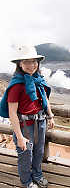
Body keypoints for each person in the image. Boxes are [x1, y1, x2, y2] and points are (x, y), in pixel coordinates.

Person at [0, 45, 55, 188]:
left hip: (41, 122)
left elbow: (45, 99)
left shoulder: (38, 80)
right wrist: (19, 137)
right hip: (24, 126)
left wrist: (50, 116)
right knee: (25, 155)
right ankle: (26, 181)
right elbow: (12, 112)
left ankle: (37, 175)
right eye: (27, 62)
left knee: (39, 151)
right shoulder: (17, 85)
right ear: (20, 64)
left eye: (34, 61)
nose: (32, 65)